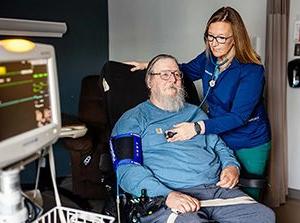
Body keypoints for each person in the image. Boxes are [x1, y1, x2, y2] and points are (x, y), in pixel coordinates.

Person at [126, 6, 271, 200]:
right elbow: (183, 71)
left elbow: (238, 117)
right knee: (220, 189)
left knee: (244, 196)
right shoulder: (209, 59)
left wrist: (196, 128)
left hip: (249, 141)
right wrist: (151, 66)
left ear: (236, 37)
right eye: (210, 37)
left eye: (221, 38)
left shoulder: (252, 71)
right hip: (219, 134)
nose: (214, 43)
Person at [112, 54, 274, 223]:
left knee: (264, 216)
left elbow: (219, 146)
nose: (173, 79)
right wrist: (167, 195)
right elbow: (126, 169)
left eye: (177, 74)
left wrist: (231, 166)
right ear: (149, 82)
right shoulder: (132, 119)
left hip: (216, 191)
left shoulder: (196, 113)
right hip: (168, 196)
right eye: (165, 74)